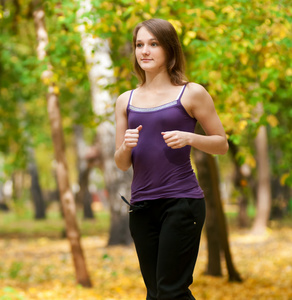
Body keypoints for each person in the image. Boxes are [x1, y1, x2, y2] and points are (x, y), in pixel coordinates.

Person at [114, 18, 228, 300]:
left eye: (154, 44)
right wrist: (126, 146)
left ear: (169, 49)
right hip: (141, 206)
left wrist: (190, 138)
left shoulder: (191, 93)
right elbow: (121, 163)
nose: (145, 51)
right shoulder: (125, 100)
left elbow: (221, 144)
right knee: (155, 293)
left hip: (182, 202)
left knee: (171, 291)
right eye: (140, 45)